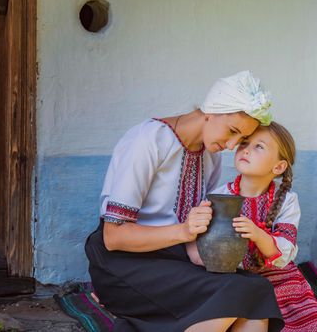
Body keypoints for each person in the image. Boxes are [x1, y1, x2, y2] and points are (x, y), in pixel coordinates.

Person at [84, 71, 284, 332]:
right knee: (231, 295)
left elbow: (194, 235)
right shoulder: (148, 140)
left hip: (173, 258)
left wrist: (214, 255)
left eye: (241, 139)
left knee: (255, 289)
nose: (232, 144)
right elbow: (114, 237)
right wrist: (184, 231)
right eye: (232, 131)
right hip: (121, 262)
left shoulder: (209, 156)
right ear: (211, 110)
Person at [187, 122, 317, 332]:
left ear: (279, 167)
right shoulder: (221, 196)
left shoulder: (287, 201)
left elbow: (284, 252)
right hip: (231, 275)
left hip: (277, 277)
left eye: (259, 147)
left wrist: (258, 234)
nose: (246, 149)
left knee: (305, 324)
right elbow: (201, 241)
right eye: (245, 143)